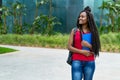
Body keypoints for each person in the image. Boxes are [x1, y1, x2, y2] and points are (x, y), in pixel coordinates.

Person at [67, 6, 101, 80]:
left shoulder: (94, 32)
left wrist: (88, 45)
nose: (80, 18)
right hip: (76, 61)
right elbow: (69, 47)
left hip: (90, 62)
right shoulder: (75, 31)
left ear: (88, 19)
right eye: (80, 16)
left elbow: (97, 49)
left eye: (82, 17)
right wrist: (82, 52)